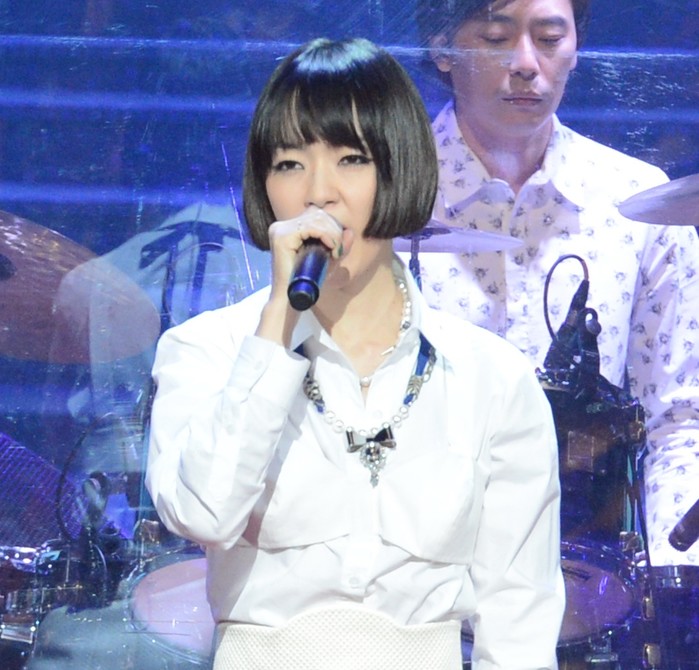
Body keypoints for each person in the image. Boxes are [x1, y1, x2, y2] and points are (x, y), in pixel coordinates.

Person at [146, 36, 564, 669]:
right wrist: (277, 324)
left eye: (351, 159)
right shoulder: (205, 350)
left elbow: (519, 620)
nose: (319, 194)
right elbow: (202, 513)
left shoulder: (491, 377)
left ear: (399, 170)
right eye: (289, 164)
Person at [413, 0, 699, 568]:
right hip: (414, 566)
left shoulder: (638, 202)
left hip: (591, 574)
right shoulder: (377, 191)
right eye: (496, 38)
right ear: (442, 47)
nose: (526, 63)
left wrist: (675, 582)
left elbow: (680, 424)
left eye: (548, 39)